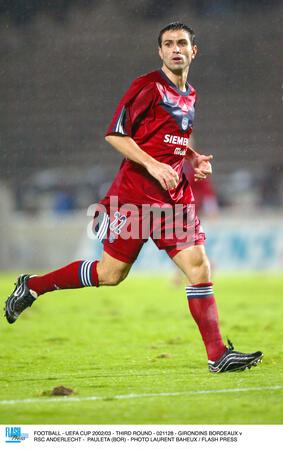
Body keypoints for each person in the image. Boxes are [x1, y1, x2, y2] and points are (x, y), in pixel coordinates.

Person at [4, 22, 263, 373]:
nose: (175, 49)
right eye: (168, 43)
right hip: (136, 198)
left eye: (182, 43)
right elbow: (116, 134)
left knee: (199, 266)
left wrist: (192, 158)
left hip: (174, 200)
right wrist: (155, 165)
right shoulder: (146, 87)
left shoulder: (190, 95)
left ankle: (218, 355)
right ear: (160, 52)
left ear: (193, 51)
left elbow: (172, 138)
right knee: (111, 274)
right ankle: (33, 286)